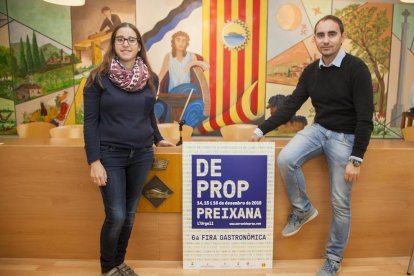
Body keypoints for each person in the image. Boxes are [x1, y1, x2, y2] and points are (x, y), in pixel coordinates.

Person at [250, 15, 373, 276]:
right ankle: (303, 209)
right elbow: (291, 105)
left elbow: (365, 117)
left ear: (342, 37)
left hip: (345, 137)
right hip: (318, 130)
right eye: (321, 35)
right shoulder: (310, 71)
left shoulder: (357, 69)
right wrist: (261, 129)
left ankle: (333, 259)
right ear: (314, 39)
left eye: (332, 34)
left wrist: (356, 158)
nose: (326, 40)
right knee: (285, 158)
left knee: (340, 202)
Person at [83, 22, 175, 276]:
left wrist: (158, 138)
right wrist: (94, 161)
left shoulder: (150, 78)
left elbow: (149, 115)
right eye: (120, 39)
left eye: (131, 39)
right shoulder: (97, 79)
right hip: (110, 155)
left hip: (142, 155)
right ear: (113, 44)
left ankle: (119, 262)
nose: (126, 44)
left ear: (138, 46)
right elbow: (90, 122)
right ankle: (107, 267)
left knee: (130, 214)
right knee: (117, 216)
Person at [155, 31, 209, 128]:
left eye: (184, 40)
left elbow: (207, 66)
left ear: (187, 43)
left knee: (198, 103)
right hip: (173, 92)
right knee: (159, 105)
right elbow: (161, 74)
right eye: (178, 40)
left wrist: (191, 63)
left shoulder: (191, 56)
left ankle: (183, 126)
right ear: (173, 42)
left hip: (188, 92)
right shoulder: (169, 56)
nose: (181, 43)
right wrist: (152, 90)